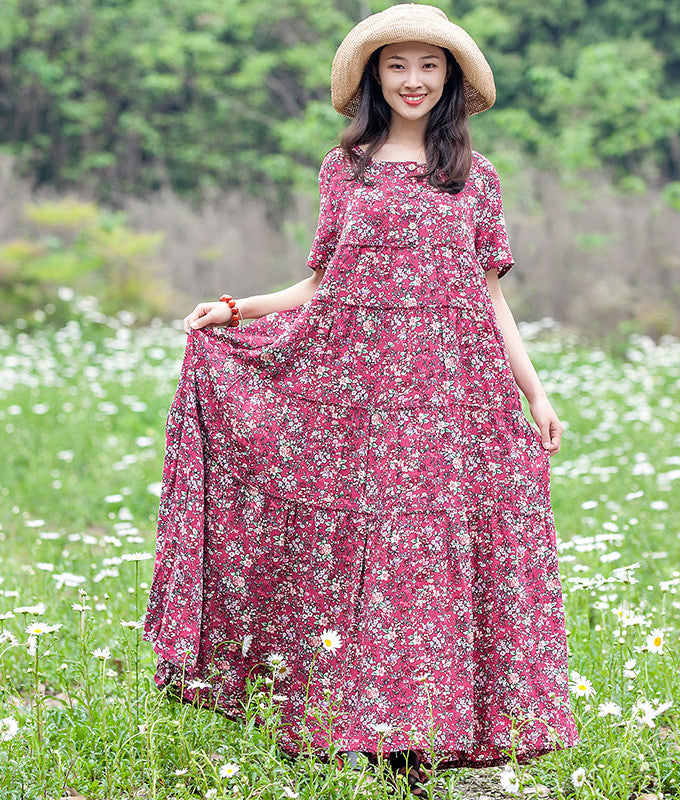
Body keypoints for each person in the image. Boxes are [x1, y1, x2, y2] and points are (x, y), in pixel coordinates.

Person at [143, 4, 579, 796]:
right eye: (397, 65)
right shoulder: (344, 167)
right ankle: (345, 728)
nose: (413, 80)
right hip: (358, 389)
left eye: (429, 66)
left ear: (449, 80)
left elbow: (490, 300)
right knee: (354, 550)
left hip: (454, 395)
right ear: (376, 78)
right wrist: (237, 311)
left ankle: (438, 734)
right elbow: (321, 283)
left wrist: (535, 395)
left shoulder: (477, 179)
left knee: (433, 550)